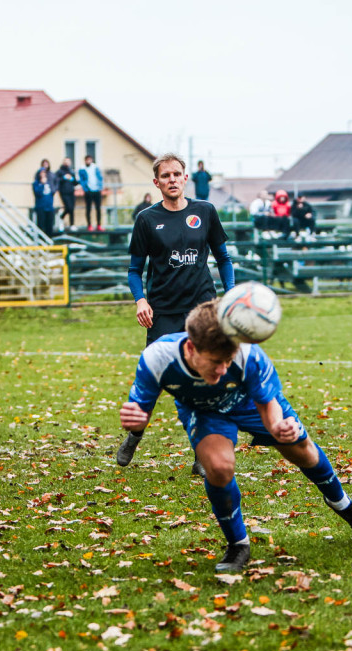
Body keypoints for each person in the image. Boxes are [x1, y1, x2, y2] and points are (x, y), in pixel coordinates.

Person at [119, 300, 352, 572]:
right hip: (204, 411)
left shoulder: (249, 354)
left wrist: (278, 427)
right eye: (214, 362)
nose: (222, 369)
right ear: (190, 348)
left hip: (249, 403)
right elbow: (138, 408)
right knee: (219, 468)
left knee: (303, 451)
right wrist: (135, 419)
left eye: (227, 361)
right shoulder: (157, 357)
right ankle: (238, 544)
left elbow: (268, 404)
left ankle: (344, 505)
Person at [121, 152, 235, 476]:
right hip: (163, 312)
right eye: (165, 176)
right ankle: (135, 434)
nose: (172, 179)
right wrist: (140, 300)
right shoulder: (146, 219)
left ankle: (202, 452)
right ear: (156, 183)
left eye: (177, 174)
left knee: (203, 380)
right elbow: (133, 270)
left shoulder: (206, 212)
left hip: (201, 311)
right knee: (153, 379)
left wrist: (230, 292)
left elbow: (223, 258)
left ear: (186, 178)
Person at [78, 155, 104, 230]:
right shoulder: (82, 169)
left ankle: (99, 225)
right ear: (85, 161)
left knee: (98, 208)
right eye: (87, 160)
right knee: (88, 208)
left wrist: (100, 187)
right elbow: (81, 180)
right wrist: (85, 189)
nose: (89, 161)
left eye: (90, 160)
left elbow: (100, 178)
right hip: (88, 191)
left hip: (96, 190)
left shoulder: (95, 168)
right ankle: (89, 225)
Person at [32, 170, 56, 237]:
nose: (43, 174)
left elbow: (53, 191)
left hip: (49, 207)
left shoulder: (49, 183)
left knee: (49, 225)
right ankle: (41, 240)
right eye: (41, 173)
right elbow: (37, 193)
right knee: (41, 225)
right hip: (41, 207)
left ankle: (49, 239)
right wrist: (42, 184)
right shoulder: (36, 183)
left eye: (44, 173)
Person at [55, 158, 78, 228]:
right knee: (69, 207)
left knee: (72, 209)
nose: (67, 163)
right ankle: (61, 217)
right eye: (66, 161)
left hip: (71, 192)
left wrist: (71, 179)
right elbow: (56, 181)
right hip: (64, 192)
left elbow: (75, 183)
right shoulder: (59, 171)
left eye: (68, 161)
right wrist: (64, 178)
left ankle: (72, 224)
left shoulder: (71, 172)